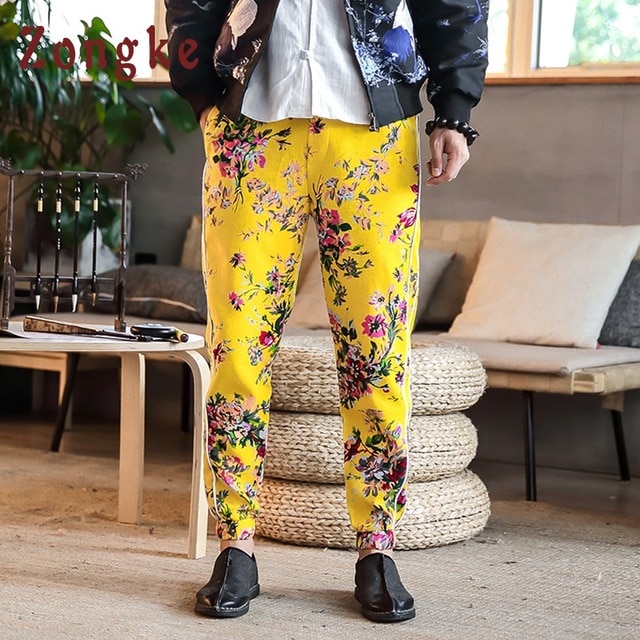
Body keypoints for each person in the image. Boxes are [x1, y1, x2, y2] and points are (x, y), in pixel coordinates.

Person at [165, 0, 488, 624]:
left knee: (377, 352)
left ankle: (377, 548)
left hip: (373, 136)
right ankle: (235, 545)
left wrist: (455, 108)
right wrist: (203, 94)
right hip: (249, 130)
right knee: (237, 348)